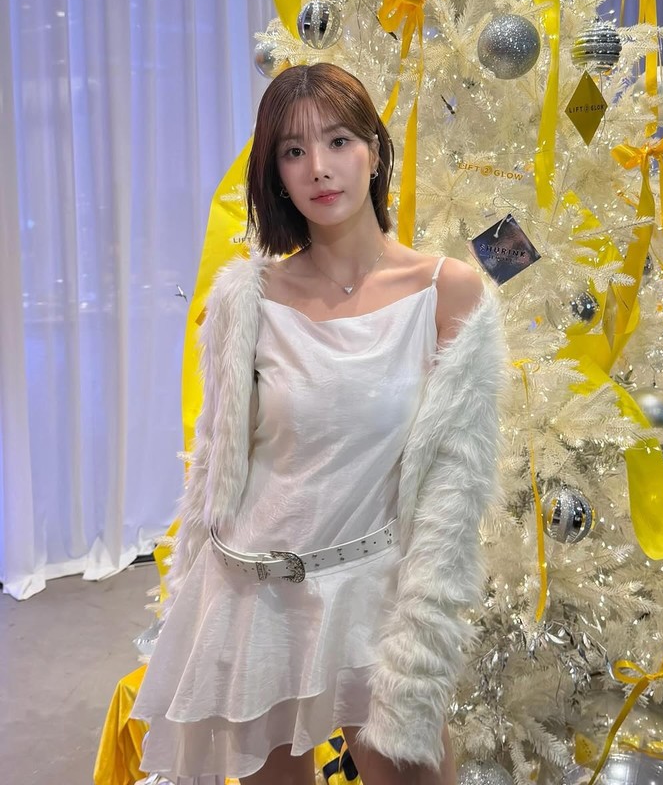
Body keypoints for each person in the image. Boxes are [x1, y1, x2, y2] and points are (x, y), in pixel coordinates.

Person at [131, 63, 506, 785]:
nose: (319, 169)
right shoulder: (248, 298)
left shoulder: (447, 291)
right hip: (256, 592)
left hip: (373, 593)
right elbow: (217, 462)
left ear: (374, 150)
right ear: (275, 174)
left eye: (338, 141)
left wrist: (424, 624)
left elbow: (455, 490)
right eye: (293, 151)